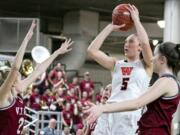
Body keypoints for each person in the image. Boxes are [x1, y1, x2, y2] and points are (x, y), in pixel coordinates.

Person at [85, 42, 180, 135]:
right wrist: (101, 107)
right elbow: (133, 99)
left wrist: (103, 108)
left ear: (162, 59)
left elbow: (137, 103)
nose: (152, 59)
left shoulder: (167, 81)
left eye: (154, 55)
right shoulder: (164, 82)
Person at [86, 4, 153, 135]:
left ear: (139, 47)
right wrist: (110, 27)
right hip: (108, 111)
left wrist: (137, 21)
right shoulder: (115, 64)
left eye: (131, 41)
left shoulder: (146, 65)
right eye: (125, 42)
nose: (126, 44)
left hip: (129, 114)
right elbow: (91, 51)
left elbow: (145, 43)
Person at [0, 20, 73, 135]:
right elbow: (14, 69)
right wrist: (27, 39)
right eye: (19, 78)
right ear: (12, 83)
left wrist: (57, 52)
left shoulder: (17, 93)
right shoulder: (2, 96)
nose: (23, 79)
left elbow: (39, 71)